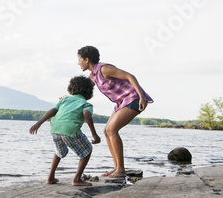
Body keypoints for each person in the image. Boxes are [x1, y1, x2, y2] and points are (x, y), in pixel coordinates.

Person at [77, 45, 153, 179]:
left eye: (79, 59)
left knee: (112, 130)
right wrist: (68, 98)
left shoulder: (104, 69)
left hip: (133, 98)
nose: (78, 63)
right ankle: (117, 167)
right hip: (121, 102)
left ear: (87, 59)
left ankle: (121, 170)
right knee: (106, 130)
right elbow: (82, 91)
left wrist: (141, 97)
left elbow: (130, 76)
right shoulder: (93, 76)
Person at [29, 76, 101, 186]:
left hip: (55, 129)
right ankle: (77, 179)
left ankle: (50, 177)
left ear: (71, 88)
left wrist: (39, 123)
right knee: (87, 151)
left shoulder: (65, 99)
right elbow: (86, 114)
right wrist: (94, 135)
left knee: (59, 152)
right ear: (89, 92)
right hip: (70, 130)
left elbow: (53, 110)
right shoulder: (86, 104)